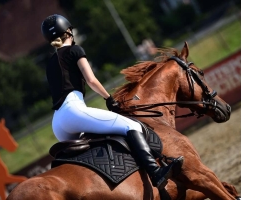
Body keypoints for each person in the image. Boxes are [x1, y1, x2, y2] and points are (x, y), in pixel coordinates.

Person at [41, 14, 183, 189]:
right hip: (74, 111)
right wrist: (109, 98)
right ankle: (155, 172)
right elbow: (91, 80)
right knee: (132, 127)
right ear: (69, 31)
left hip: (58, 124)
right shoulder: (75, 50)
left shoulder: (50, 63)